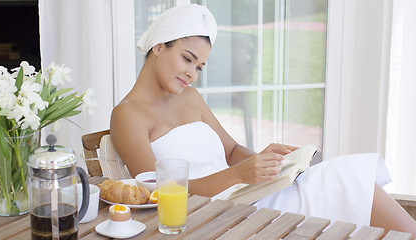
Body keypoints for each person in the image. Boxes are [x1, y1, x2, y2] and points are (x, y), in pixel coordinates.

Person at [110, 3, 416, 237]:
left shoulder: (189, 98)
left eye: (200, 66)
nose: (192, 73)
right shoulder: (128, 115)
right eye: (187, 59)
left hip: (247, 195)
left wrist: (268, 162)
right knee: (346, 178)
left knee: (345, 175)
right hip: (216, 215)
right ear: (159, 46)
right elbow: (157, 194)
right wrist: (238, 175)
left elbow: (230, 152)